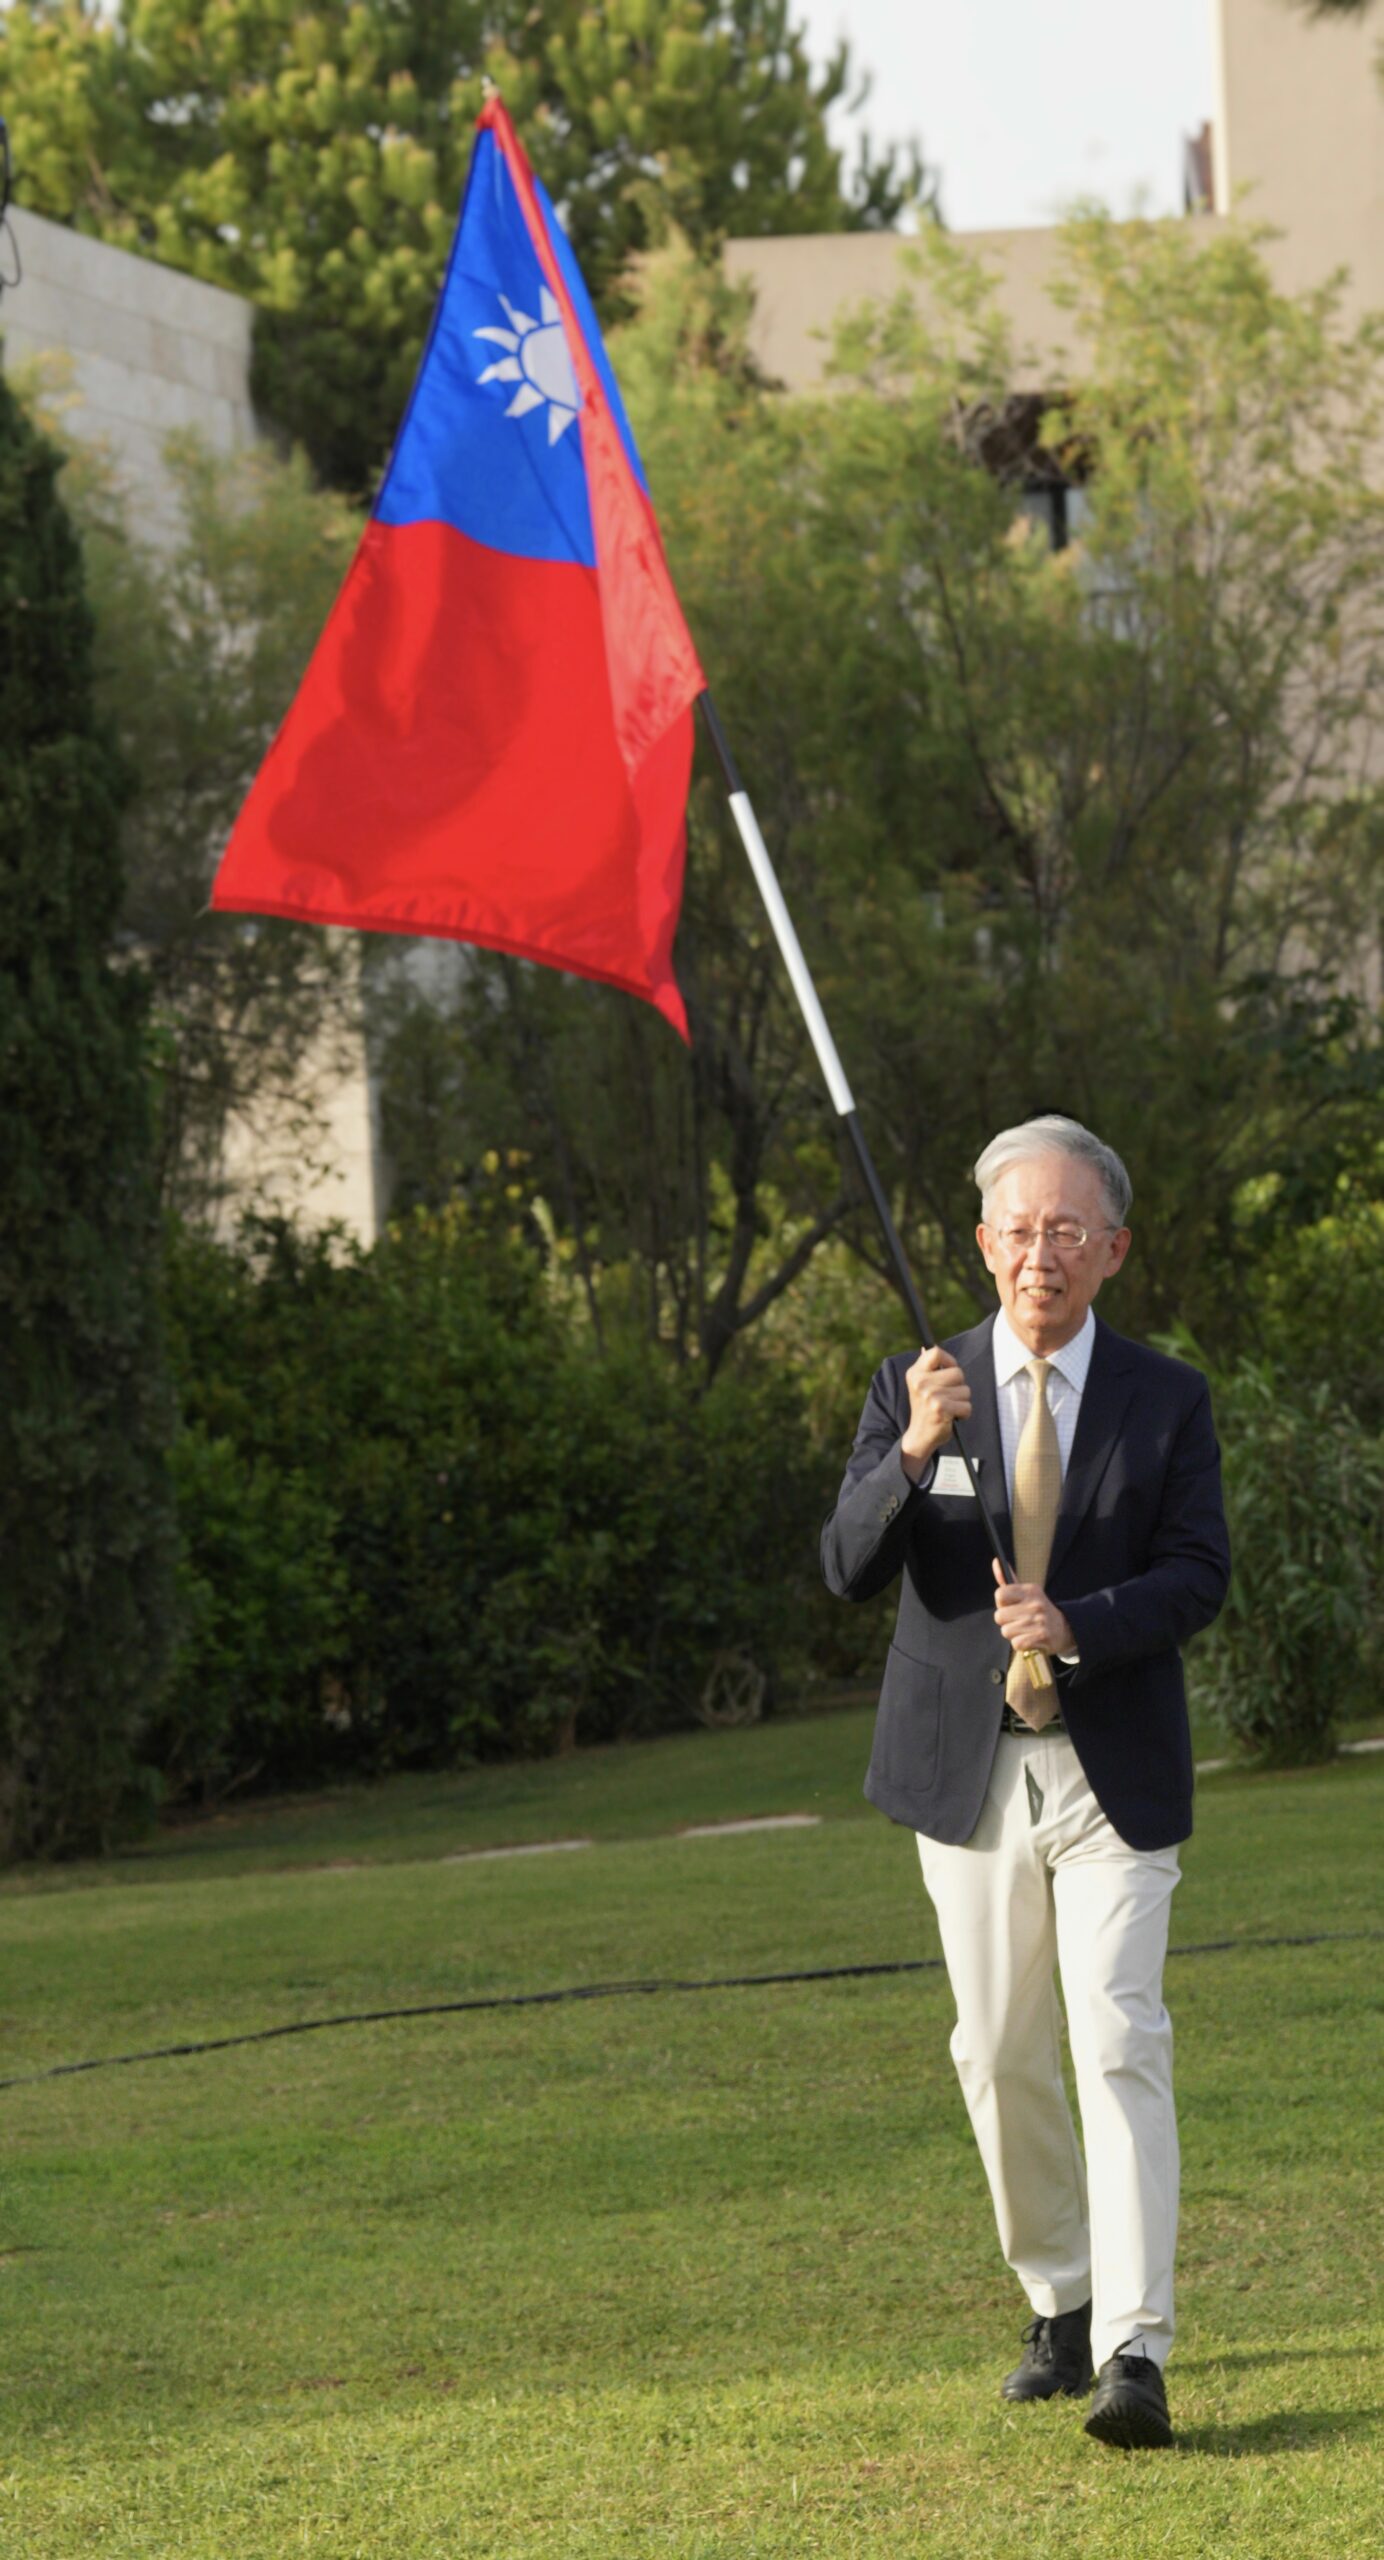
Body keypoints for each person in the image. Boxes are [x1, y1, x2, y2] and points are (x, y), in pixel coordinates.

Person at [821, 1114, 1230, 2450]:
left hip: (1115, 1774)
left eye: (1068, 1231)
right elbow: (844, 1566)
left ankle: (1135, 2350)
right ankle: (1061, 2298)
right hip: (970, 1775)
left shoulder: (1167, 1399)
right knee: (998, 2051)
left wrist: (1080, 1622)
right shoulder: (916, 1384)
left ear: (1113, 1250)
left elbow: (1199, 1574)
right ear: (984, 1245)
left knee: (1117, 2037)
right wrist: (910, 1455)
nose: (1040, 1254)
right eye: (1019, 1230)